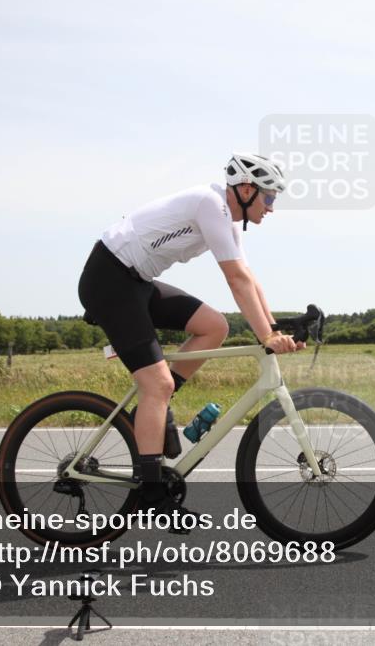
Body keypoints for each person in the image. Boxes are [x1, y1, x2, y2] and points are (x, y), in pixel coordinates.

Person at [77, 153, 304, 524]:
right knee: (157, 384)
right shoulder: (210, 204)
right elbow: (236, 281)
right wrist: (266, 335)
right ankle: (151, 493)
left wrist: (275, 330)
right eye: (269, 198)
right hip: (110, 280)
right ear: (247, 189)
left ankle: (150, 415)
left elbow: (249, 277)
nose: (272, 208)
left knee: (214, 326)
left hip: (135, 282)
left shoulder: (227, 217)